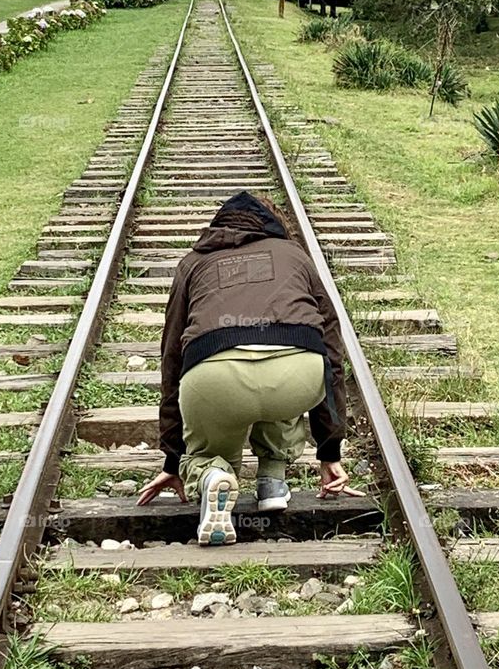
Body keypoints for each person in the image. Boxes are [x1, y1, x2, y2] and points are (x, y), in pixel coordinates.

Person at [138, 191, 360, 545]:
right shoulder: (295, 256)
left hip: (215, 377)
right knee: (283, 363)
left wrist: (173, 459)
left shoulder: (193, 263)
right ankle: (272, 481)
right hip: (295, 375)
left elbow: (172, 360)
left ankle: (212, 475)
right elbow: (330, 347)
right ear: (273, 224)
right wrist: (329, 449)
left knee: (209, 450)